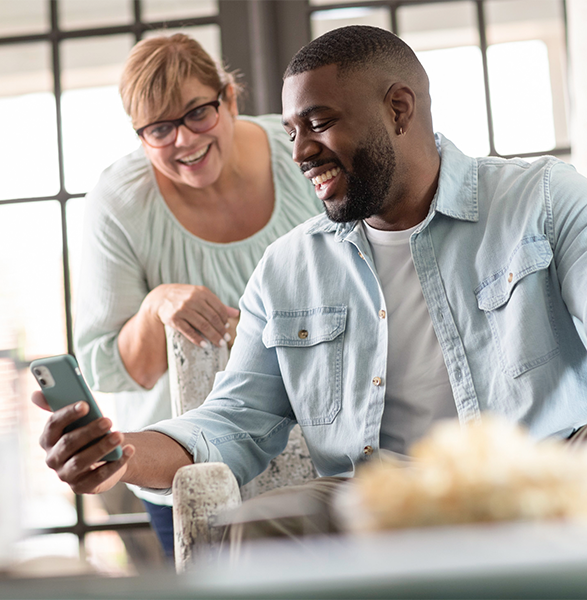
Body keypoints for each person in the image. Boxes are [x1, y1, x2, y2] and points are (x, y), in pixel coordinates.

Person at [35, 25, 587, 546]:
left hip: (542, 478)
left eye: (318, 124)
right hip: (377, 502)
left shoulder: (543, 201)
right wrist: (122, 453)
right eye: (291, 133)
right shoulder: (287, 268)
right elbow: (233, 422)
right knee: (253, 529)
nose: (299, 153)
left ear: (398, 109)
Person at [71, 33, 322, 557]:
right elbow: (107, 370)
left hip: (320, 446)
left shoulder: (301, 154)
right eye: (160, 129)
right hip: (186, 464)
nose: (183, 140)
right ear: (140, 136)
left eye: (197, 113)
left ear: (229, 97)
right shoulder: (118, 204)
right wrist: (155, 305)